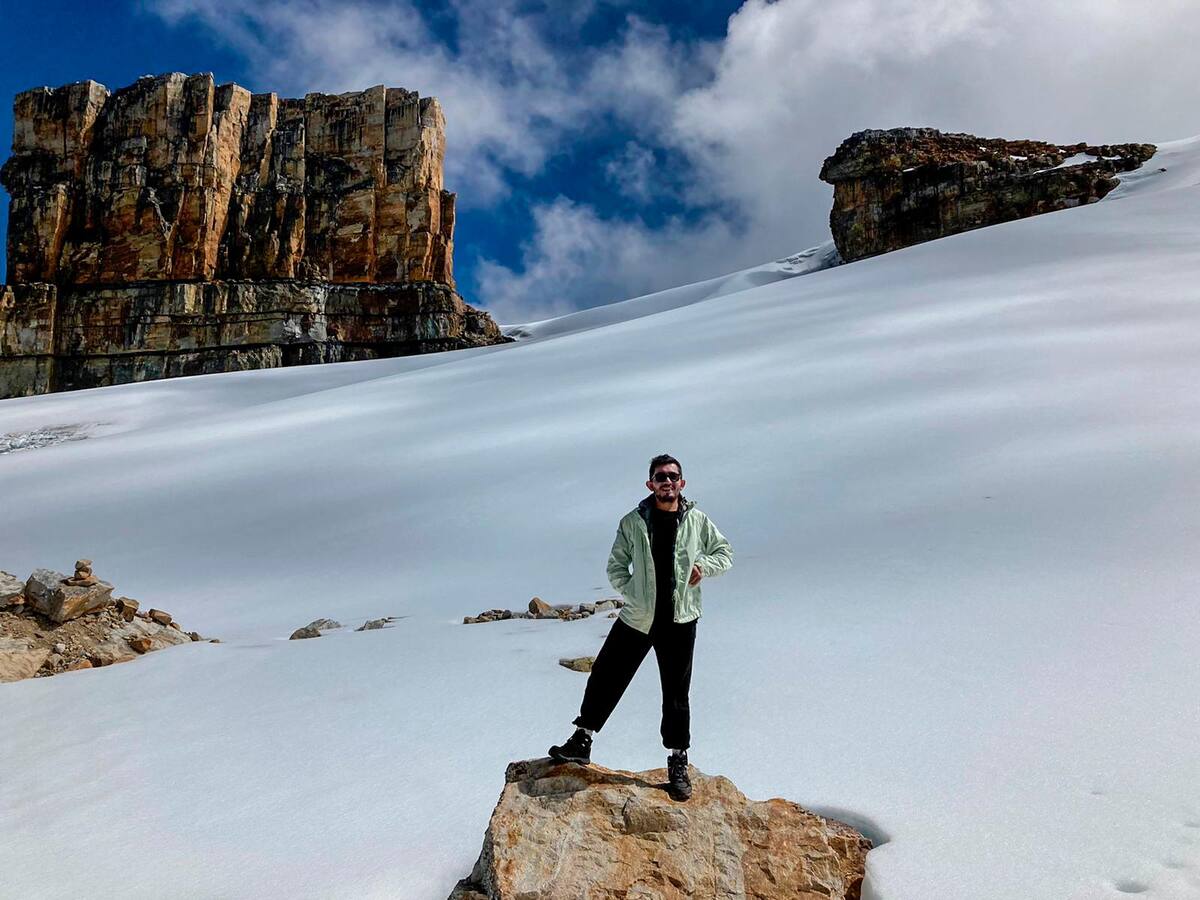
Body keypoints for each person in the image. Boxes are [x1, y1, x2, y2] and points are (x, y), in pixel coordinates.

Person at [549, 453, 733, 801]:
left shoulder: (696, 521)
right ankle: (582, 739)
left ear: (682, 483)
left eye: (673, 476)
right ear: (651, 484)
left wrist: (704, 566)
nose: (667, 482)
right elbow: (616, 567)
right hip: (638, 617)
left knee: (676, 693)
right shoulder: (632, 522)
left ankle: (678, 760)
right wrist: (634, 593)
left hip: (680, 620)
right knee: (606, 674)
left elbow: (725, 553)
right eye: (661, 477)